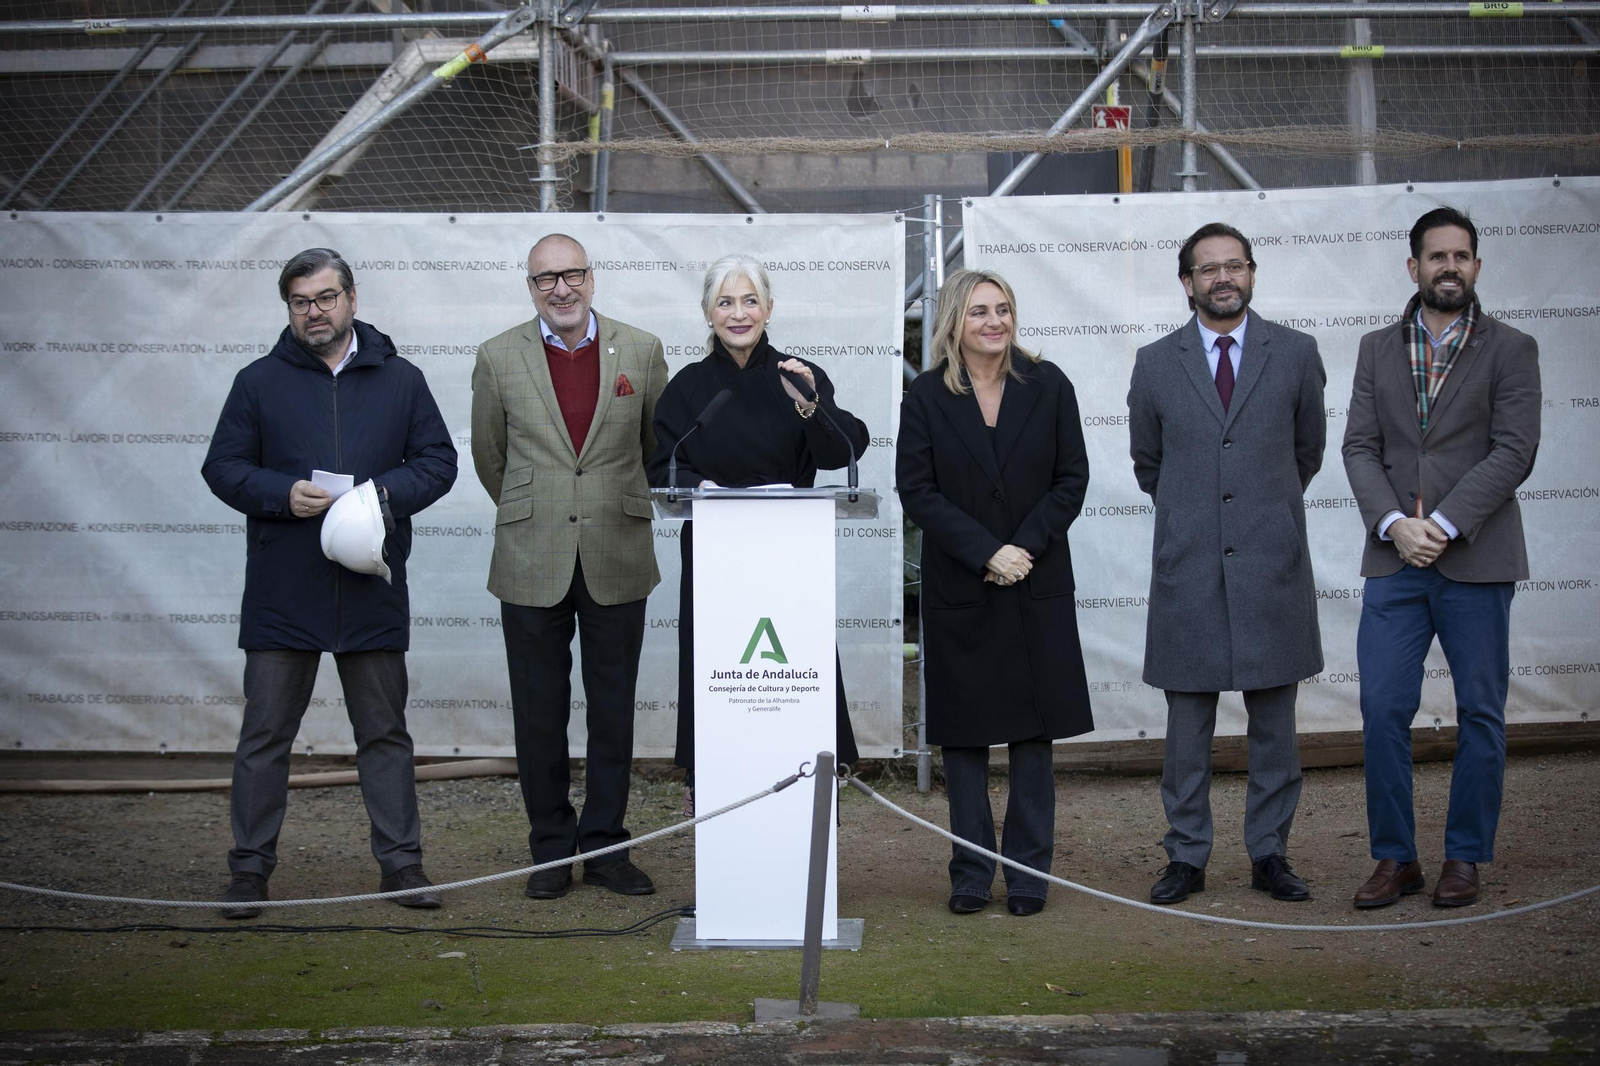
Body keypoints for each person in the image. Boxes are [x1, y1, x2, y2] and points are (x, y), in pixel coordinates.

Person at [202, 247, 458, 918]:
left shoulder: (401, 380)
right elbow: (223, 467)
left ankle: (403, 867)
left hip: (370, 585)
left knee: (384, 734)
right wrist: (281, 493)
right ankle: (249, 873)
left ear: (352, 299)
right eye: (300, 302)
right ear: (288, 309)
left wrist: (379, 497)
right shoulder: (258, 381)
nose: (314, 312)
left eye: (325, 298)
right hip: (284, 591)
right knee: (265, 737)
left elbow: (438, 462)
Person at [1343, 207, 1541, 909]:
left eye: (1461, 256)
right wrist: (1396, 524)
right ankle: (1396, 859)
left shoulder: (1512, 349)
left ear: (1477, 267)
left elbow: (1514, 451)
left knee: (1481, 712)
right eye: (1436, 256)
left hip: (1477, 560)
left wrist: (1447, 524)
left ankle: (1465, 856)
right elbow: (1359, 448)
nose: (1449, 267)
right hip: (1394, 562)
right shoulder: (1374, 348)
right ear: (1414, 266)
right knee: (1383, 710)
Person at [1126, 222, 1327, 906]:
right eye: (1207, 268)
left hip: (1272, 567)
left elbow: (1307, 453)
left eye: (1234, 266)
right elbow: (1149, 464)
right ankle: (1186, 857)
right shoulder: (1155, 364)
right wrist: (1198, 518)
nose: (1222, 278)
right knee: (1187, 733)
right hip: (1189, 570)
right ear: (1186, 282)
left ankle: (1270, 853)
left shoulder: (1296, 354)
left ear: (1251, 273)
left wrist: (1257, 518)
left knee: (1276, 727)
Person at [471, 234, 668, 900]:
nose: (560, 289)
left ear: (592, 278)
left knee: (612, 710)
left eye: (572, 274)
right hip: (532, 555)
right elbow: (490, 458)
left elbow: (652, 447)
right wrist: (541, 510)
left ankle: (608, 846)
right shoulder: (498, 357)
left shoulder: (640, 350)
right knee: (539, 711)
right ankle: (551, 848)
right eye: (544, 279)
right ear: (529, 287)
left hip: (617, 549)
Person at [896, 268, 1092, 917]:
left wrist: (1023, 548)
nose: (994, 322)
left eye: (1003, 309)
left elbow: (1071, 479)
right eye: (980, 311)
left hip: (1033, 583)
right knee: (967, 740)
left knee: (1034, 740)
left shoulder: (1050, 384)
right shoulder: (926, 396)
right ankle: (972, 874)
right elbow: (917, 490)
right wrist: (987, 551)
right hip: (965, 585)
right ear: (955, 321)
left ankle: (1030, 876)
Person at [646, 254, 869, 806]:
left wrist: (813, 408)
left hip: (791, 558)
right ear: (707, 313)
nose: (738, 313)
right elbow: (662, 467)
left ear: (769, 309)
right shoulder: (689, 387)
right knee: (722, 683)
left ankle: (806, 812)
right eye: (725, 302)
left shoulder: (795, 376)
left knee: (792, 682)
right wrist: (707, 491)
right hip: (717, 556)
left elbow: (845, 448)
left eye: (749, 300)